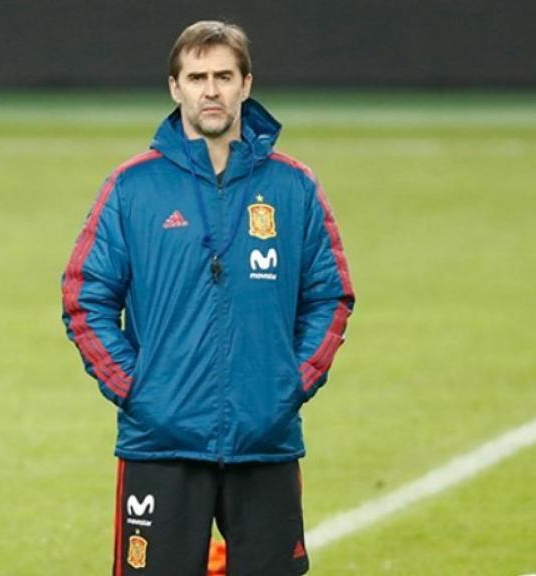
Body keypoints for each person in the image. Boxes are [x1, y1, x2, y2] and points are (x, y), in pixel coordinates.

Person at [61, 20, 355, 575]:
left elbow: (330, 297)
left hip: (263, 440)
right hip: (162, 442)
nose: (211, 90)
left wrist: (287, 385)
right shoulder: (132, 188)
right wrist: (139, 390)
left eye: (224, 75)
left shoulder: (294, 188)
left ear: (247, 84)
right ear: (175, 88)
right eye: (197, 77)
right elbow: (84, 296)